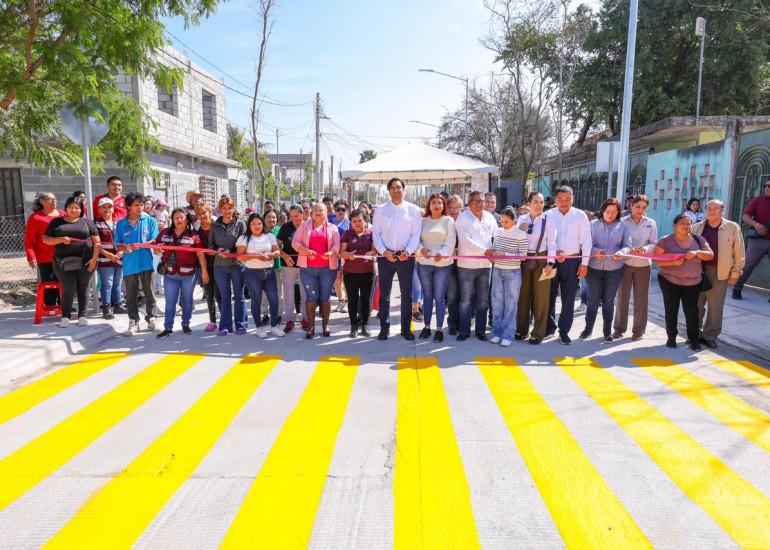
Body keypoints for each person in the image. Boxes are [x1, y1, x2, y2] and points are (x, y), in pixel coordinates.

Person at [371, 177, 422, 341]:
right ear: (389, 191)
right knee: (384, 295)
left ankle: (406, 329)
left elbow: (415, 235)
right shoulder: (380, 210)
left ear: (404, 189)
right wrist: (384, 251)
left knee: (406, 295)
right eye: (392, 188)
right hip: (385, 257)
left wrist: (408, 251)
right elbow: (376, 234)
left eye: (399, 187)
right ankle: (384, 328)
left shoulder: (414, 210)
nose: (396, 190)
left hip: (406, 257)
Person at [653, 214, 714, 351]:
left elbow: (710, 255)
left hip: (693, 283)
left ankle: (694, 340)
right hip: (669, 281)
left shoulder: (698, 239)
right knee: (671, 310)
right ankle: (671, 338)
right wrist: (672, 263)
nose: (686, 226)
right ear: (674, 226)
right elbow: (656, 259)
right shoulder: (665, 241)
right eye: (682, 223)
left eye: (688, 223)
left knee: (692, 312)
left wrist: (697, 252)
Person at [692, 199, 745, 348]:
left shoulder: (732, 227)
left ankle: (710, 336)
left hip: (719, 272)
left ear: (722, 210)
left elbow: (739, 251)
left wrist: (736, 272)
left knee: (715, 307)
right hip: (698, 271)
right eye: (709, 208)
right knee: (696, 304)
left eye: (716, 208)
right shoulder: (697, 227)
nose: (712, 211)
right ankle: (694, 334)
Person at [42, 197, 100, 327]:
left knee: (83, 287)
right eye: (71, 207)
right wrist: (61, 239)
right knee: (69, 287)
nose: (74, 210)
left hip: (86, 261)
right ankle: (65, 316)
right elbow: (45, 239)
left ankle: (82, 315)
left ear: (81, 209)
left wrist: (94, 259)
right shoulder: (56, 222)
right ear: (66, 208)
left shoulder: (88, 223)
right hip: (62, 262)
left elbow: (97, 242)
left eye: (77, 207)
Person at [579, 198, 631, 343]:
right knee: (592, 300)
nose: (610, 214)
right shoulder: (593, 225)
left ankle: (607, 332)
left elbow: (627, 246)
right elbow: (585, 244)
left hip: (614, 269)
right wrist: (595, 251)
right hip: (594, 268)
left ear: (618, 212)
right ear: (603, 211)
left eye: (614, 212)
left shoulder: (623, 226)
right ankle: (587, 330)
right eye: (608, 211)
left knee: (608, 301)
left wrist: (622, 252)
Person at [546, 185, 591, 345]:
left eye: (567, 199)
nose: (564, 202)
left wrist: (584, 264)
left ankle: (564, 331)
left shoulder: (580, 216)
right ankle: (549, 327)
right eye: (560, 199)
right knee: (548, 295)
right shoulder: (548, 215)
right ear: (555, 199)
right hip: (551, 261)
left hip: (572, 262)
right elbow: (544, 239)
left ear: (573, 199)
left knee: (569, 297)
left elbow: (586, 241)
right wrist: (553, 253)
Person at [155, 208, 209, 338]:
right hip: (170, 274)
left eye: (181, 217)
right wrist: (157, 249)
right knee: (170, 302)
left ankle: (186, 324)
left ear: (186, 220)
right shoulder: (164, 233)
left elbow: (200, 254)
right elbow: (156, 246)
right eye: (176, 217)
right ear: (172, 219)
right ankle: (168, 328)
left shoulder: (194, 235)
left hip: (189, 274)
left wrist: (204, 272)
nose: (179, 220)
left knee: (187, 300)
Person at [292, 203, 341, 338]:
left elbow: (337, 245)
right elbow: (295, 242)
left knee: (325, 297)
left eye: (321, 210)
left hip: (327, 269)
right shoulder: (304, 226)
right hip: (308, 269)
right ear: (312, 212)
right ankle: (311, 327)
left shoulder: (333, 228)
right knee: (311, 297)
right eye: (315, 210)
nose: (318, 212)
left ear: (326, 212)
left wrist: (331, 253)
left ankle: (326, 325)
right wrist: (305, 251)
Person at [613, 195, 658, 341]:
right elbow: (617, 241)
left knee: (641, 299)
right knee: (622, 297)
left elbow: (654, 243)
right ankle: (619, 329)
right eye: (637, 206)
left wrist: (645, 249)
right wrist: (626, 250)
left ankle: (638, 331)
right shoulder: (622, 222)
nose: (640, 210)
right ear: (631, 205)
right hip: (624, 264)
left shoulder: (651, 223)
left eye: (644, 207)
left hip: (643, 265)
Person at [114, 192, 160, 335]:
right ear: (128, 206)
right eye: (136, 205)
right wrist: (125, 248)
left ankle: (151, 318)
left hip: (147, 263)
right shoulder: (121, 224)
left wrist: (140, 245)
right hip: (129, 265)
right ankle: (133, 321)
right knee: (130, 295)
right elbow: (117, 245)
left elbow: (155, 240)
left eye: (142, 204)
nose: (140, 207)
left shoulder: (150, 220)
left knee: (150, 293)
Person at [455, 190, 498, 341]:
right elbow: (465, 240)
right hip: (466, 266)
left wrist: (494, 250)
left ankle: (480, 331)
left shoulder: (489, 217)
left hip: (485, 266)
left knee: (483, 301)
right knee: (466, 300)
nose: (480, 204)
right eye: (476, 201)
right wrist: (485, 251)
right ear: (469, 203)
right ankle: (464, 331)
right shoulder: (462, 217)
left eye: (482, 201)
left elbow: (496, 236)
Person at [414, 194, 456, 342]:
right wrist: (421, 250)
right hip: (424, 264)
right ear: (429, 205)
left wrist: (442, 254)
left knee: (439, 298)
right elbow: (416, 239)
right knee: (427, 297)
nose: (436, 205)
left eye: (439, 202)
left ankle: (438, 329)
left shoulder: (448, 221)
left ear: (444, 205)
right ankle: (426, 327)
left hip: (442, 265)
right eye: (433, 202)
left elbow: (450, 241)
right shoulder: (422, 220)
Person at [516, 192, 557, 344]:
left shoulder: (549, 219)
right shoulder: (522, 219)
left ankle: (538, 333)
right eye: (535, 202)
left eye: (541, 202)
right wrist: (520, 230)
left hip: (542, 258)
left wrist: (550, 263)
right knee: (523, 296)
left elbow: (552, 242)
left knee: (541, 298)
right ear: (528, 204)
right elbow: (516, 239)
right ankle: (521, 330)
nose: (539, 205)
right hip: (524, 259)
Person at [237, 212, 284, 338]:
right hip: (252, 274)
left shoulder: (269, 236)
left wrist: (272, 254)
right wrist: (258, 256)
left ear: (263, 224)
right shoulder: (244, 238)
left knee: (274, 299)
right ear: (249, 225)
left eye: (259, 223)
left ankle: (274, 326)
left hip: (269, 272)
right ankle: (259, 328)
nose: (257, 226)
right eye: (253, 224)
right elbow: (240, 256)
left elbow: (277, 251)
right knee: (256, 300)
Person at [209, 196, 248, 336]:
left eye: (229, 208)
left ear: (233, 208)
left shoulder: (241, 225)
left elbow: (244, 244)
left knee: (239, 296)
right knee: (225, 297)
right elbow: (210, 245)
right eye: (224, 208)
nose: (227, 211)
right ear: (220, 209)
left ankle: (241, 325)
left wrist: (230, 251)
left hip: (237, 265)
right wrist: (217, 250)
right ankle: (225, 326)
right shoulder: (214, 226)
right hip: (220, 266)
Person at [490, 206, 527, 346]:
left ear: (514, 220)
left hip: (513, 272)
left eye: (506, 221)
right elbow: (495, 248)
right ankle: (497, 333)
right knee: (496, 303)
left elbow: (523, 256)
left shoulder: (520, 234)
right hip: (497, 270)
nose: (503, 224)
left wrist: (505, 254)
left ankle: (508, 335)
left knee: (510, 304)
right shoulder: (498, 232)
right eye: (501, 221)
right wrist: (493, 253)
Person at [340, 209, 377, 337]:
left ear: (365, 221)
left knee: (366, 300)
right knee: (352, 300)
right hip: (350, 273)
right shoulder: (347, 234)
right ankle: (353, 326)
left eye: (360, 220)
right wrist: (348, 255)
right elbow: (342, 252)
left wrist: (370, 253)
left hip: (368, 272)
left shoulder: (371, 233)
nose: (357, 223)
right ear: (350, 222)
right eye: (354, 221)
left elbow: (375, 250)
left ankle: (365, 325)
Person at [733, 178, 770, 301]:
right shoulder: (758, 200)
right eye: (766, 186)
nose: (767, 188)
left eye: (769, 186)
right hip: (758, 240)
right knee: (748, 265)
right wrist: (756, 225)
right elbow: (745, 216)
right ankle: (737, 287)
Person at [24, 192, 64, 307]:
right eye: (50, 199)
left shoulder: (63, 214)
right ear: (42, 201)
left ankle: (65, 304)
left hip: (63, 256)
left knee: (65, 282)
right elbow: (29, 240)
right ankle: (50, 306)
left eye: (55, 198)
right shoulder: (36, 218)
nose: (54, 201)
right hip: (46, 258)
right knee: (49, 284)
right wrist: (31, 257)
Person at [277, 205, 308, 333]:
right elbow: (276, 246)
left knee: (305, 293)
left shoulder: (308, 226)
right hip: (288, 265)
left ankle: (305, 319)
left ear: (302, 214)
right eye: (291, 216)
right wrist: (284, 255)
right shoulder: (285, 227)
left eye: (296, 216)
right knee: (288, 293)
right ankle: (289, 320)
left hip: (305, 265)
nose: (294, 219)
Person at [94, 198, 126, 319]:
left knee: (117, 283)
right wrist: (107, 254)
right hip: (104, 259)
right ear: (99, 209)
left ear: (113, 209)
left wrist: (121, 251)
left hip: (119, 258)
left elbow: (124, 240)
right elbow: (95, 243)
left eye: (109, 207)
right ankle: (106, 308)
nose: (107, 209)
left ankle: (118, 305)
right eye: (104, 207)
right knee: (107, 284)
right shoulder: (95, 224)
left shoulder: (119, 223)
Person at [195, 204, 220, 332]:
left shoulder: (218, 227)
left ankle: (225, 320)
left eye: (204, 213)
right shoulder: (197, 231)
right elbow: (200, 252)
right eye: (199, 214)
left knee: (220, 294)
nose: (202, 216)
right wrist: (204, 271)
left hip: (220, 265)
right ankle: (212, 321)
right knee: (209, 294)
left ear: (210, 212)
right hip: (206, 265)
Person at [445, 195, 463, 335]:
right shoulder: (445, 222)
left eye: (457, 207)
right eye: (451, 208)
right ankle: (452, 323)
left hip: (465, 264)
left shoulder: (465, 221)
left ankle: (463, 322)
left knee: (465, 295)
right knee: (452, 295)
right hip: (449, 264)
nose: (454, 210)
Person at [331, 201, 350, 313]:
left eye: (343, 209)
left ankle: (347, 302)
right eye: (338, 209)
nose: (340, 211)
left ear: (346, 211)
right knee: (337, 279)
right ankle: (340, 301)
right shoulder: (330, 221)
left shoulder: (349, 223)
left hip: (345, 254)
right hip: (334, 254)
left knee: (346, 279)